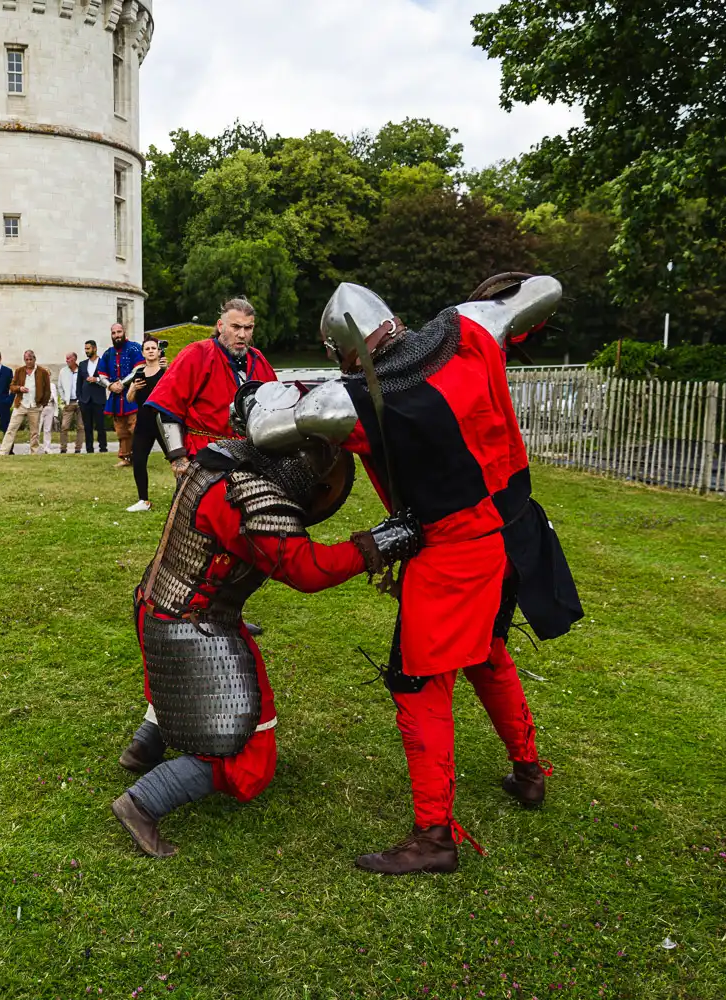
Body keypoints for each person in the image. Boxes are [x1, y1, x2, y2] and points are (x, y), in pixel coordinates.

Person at [315, 277, 583, 875]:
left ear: (346, 348)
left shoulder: (356, 403)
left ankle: (434, 836)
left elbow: (265, 425)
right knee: (487, 652)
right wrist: (498, 297)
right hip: (513, 529)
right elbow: (545, 288)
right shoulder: (464, 331)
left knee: (417, 684)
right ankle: (528, 770)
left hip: (453, 554)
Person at [110, 392, 422, 858]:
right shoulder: (249, 497)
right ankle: (143, 802)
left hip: (156, 603)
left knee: (172, 686)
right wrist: (377, 543)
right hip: (195, 625)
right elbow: (307, 571)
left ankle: (143, 749)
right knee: (248, 753)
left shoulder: (220, 460)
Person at [148, 299, 277, 480]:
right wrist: (178, 456)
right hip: (206, 455)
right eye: (235, 327)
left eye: (248, 328)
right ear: (220, 325)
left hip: (252, 455)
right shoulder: (196, 354)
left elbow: (274, 410)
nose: (242, 334)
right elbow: (167, 407)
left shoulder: (259, 360)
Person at [123, 339, 167, 512]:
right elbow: (129, 399)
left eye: (153, 348)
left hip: (163, 422)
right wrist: (133, 388)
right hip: (143, 422)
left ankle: (184, 496)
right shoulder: (138, 373)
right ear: (142, 353)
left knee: (175, 460)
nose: (150, 351)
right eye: (147, 348)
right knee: (139, 460)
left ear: (158, 352)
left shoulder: (165, 373)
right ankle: (143, 500)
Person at [97, 322, 145, 467]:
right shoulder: (108, 353)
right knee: (121, 430)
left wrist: (122, 384)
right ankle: (126, 458)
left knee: (135, 428)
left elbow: (139, 368)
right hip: (117, 398)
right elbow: (101, 375)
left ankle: (139, 457)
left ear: (124, 332)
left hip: (133, 395)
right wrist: (110, 386)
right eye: (114, 333)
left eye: (119, 332)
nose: (117, 335)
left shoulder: (134, 347)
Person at [3, 350, 51, 455]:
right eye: (26, 359)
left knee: (35, 432)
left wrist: (43, 404)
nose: (29, 362)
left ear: (35, 359)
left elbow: (47, 390)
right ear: (24, 360)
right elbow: (12, 386)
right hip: (21, 404)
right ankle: (3, 452)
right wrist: (19, 388)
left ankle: (34, 453)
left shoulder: (43, 372)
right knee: (11, 429)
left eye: (30, 359)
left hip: (35, 406)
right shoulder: (19, 371)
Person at [57, 352, 83, 454]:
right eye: (66, 358)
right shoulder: (63, 371)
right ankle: (63, 448)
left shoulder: (82, 370)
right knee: (64, 426)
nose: (67, 360)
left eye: (69, 358)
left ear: (75, 359)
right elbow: (59, 386)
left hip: (80, 402)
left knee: (81, 426)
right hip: (69, 402)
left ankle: (78, 448)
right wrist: (64, 398)